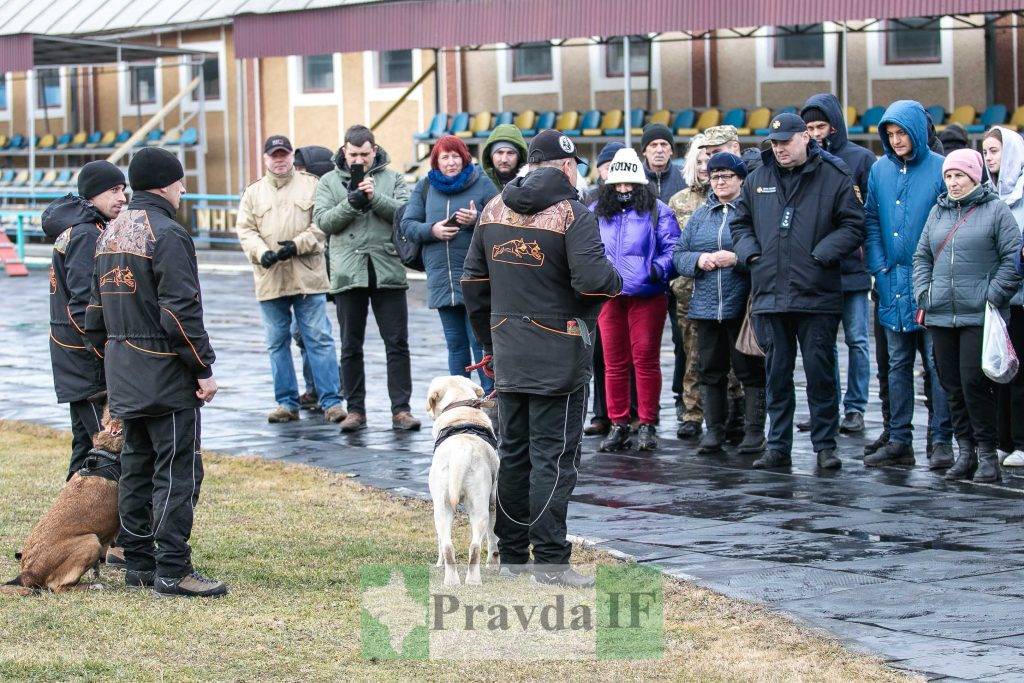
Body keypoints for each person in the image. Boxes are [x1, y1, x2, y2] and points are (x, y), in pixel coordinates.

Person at [461, 130, 621, 587]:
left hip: (508, 345)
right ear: (569, 168)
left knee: (514, 454)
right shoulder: (572, 212)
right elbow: (593, 281)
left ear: (530, 165)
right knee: (555, 457)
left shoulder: (493, 207)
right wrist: (613, 282)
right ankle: (550, 561)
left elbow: (472, 284)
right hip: (560, 352)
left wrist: (490, 342)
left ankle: (512, 555)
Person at [84, 147, 225, 597]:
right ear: (165, 185)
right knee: (175, 471)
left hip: (123, 370)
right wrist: (202, 367)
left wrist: (116, 362)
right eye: (181, 182)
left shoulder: (108, 234)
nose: (184, 190)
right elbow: (180, 312)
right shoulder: (167, 233)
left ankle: (138, 564)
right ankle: (172, 569)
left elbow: (92, 316)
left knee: (136, 468)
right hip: (165, 373)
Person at [730, 113, 865, 471]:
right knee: (776, 374)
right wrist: (751, 254)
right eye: (775, 143)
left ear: (806, 137)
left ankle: (825, 444)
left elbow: (854, 225)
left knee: (820, 373)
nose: (780, 148)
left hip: (816, 293)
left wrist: (823, 253)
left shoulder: (834, 177)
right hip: (770, 293)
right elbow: (740, 223)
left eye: (786, 141)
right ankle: (778, 445)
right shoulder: (757, 178)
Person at [913, 148, 1023, 482]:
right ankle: (966, 452)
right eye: (948, 176)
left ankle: (987, 453)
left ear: (974, 176)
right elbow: (922, 256)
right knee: (951, 385)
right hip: (941, 315)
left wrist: (992, 295)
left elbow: (1013, 260)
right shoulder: (938, 212)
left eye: (959, 175)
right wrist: (924, 292)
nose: (953, 182)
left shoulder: (996, 211)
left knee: (975, 384)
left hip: (980, 316)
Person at [864, 100, 955, 469]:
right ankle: (899, 438)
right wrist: (879, 267)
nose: (897, 140)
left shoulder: (939, 169)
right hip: (891, 283)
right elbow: (871, 220)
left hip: (931, 285)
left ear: (917, 131)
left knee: (937, 365)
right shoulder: (879, 170)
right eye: (891, 134)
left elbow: (952, 222)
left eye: (902, 132)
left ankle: (940, 440)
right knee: (896, 364)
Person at [313, 125, 420, 432]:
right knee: (350, 345)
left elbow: (405, 213)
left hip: (387, 269)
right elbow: (323, 221)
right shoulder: (328, 181)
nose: (358, 159)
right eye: (353, 153)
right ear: (344, 152)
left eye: (364, 153)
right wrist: (351, 203)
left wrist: (374, 198)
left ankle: (401, 409)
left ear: (375, 150)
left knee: (397, 343)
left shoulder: (393, 178)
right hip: (348, 272)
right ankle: (355, 410)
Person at [235, 135, 345, 424]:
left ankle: (331, 401)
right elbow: (245, 231)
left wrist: (296, 245)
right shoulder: (253, 193)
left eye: (284, 154)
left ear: (291, 156)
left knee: (319, 339)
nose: (279, 160)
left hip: (307, 277)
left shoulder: (312, 185)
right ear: (265, 158)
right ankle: (286, 403)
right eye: (274, 155)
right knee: (276, 342)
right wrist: (262, 253)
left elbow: (322, 224)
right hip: (270, 278)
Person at [673, 152, 766, 455]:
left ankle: (753, 432)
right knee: (709, 370)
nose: (720, 181)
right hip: (705, 306)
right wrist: (699, 260)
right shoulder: (701, 215)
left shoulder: (751, 212)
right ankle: (714, 431)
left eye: (727, 176)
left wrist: (737, 259)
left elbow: (763, 254)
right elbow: (679, 255)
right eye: (715, 176)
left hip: (741, 305)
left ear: (741, 179)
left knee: (749, 370)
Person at [591, 147, 679, 452]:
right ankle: (618, 423)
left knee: (645, 360)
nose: (624, 189)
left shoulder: (659, 210)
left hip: (647, 295)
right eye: (618, 184)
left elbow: (673, 250)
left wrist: (656, 270)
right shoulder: (596, 212)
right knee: (613, 363)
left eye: (629, 183)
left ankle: (647, 423)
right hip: (609, 296)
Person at [42, 160, 126, 478]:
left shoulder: (85, 229)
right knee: (104, 448)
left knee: (84, 448)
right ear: (91, 195)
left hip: (73, 358)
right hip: (84, 361)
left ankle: (66, 521)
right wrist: (106, 352)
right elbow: (82, 308)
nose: (122, 197)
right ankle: (93, 520)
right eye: (114, 190)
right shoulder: (86, 235)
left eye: (124, 190)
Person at [799, 93, 876, 436]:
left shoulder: (861, 159)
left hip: (853, 269)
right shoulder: (802, 160)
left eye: (820, 125)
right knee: (821, 345)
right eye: (809, 127)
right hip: (817, 271)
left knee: (858, 340)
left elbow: (869, 215)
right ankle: (825, 408)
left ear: (834, 124)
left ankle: (856, 408)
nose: (815, 133)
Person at [401, 135, 497, 391]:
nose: (451, 162)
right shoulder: (424, 187)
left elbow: (502, 221)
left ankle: (490, 397)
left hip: (476, 279)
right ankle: (461, 397)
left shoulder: (483, 184)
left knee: (481, 343)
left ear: (464, 158)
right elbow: (408, 225)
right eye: (445, 157)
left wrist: (476, 219)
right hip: (442, 279)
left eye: (456, 156)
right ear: (436, 161)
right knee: (455, 344)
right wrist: (432, 230)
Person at [981, 127, 1024, 466]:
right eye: (985, 151)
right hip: (997, 299)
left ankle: (1022, 442)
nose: (989, 157)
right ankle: (1002, 438)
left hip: (1021, 299)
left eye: (995, 151)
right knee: (998, 371)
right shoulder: (986, 195)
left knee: (1021, 372)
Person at [640, 122, 687, 425]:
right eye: (653, 145)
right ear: (644, 151)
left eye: (664, 145)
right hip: (646, 279)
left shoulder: (682, 182)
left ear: (672, 150)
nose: (659, 150)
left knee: (684, 341)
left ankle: (683, 397)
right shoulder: (634, 182)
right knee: (645, 348)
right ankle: (643, 407)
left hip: (679, 276)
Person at [669, 135, 710, 438]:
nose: (705, 165)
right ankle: (692, 412)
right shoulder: (679, 201)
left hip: (725, 289)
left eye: (710, 159)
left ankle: (729, 414)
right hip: (687, 290)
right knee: (690, 353)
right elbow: (672, 246)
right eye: (700, 159)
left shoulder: (730, 193)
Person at [582, 141, 625, 437]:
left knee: (626, 357)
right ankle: (601, 413)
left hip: (629, 288)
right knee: (598, 356)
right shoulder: (591, 202)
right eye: (607, 165)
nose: (611, 171)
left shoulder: (638, 197)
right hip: (596, 290)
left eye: (616, 165)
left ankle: (626, 412)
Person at [291, 145, 337, 410]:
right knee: (302, 334)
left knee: (318, 335)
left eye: (302, 169)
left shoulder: (324, 194)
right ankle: (315, 386)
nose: (297, 174)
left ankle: (327, 384)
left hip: (325, 275)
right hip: (307, 275)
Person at [481, 123, 527, 190]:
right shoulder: (480, 184)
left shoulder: (531, 183)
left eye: (510, 153)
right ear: (490, 156)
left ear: (519, 157)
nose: (504, 160)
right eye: (499, 152)